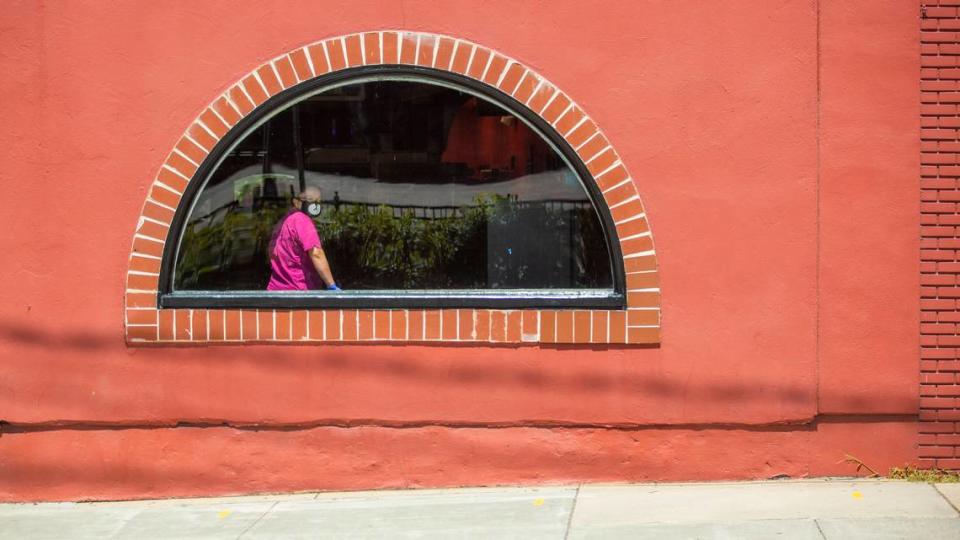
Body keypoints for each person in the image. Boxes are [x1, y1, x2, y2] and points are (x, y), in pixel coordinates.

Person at [266, 186, 339, 291]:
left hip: (277, 289)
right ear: (296, 202)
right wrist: (331, 285)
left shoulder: (285, 220)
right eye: (310, 200)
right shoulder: (302, 220)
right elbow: (316, 253)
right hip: (298, 291)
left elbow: (271, 251)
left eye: (318, 201)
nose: (315, 205)